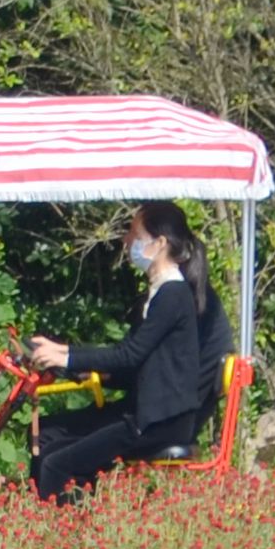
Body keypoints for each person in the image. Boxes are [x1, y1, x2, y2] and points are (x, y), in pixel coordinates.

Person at [22, 200, 225, 504]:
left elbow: (130, 354)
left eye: (134, 233)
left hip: (159, 422)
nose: (127, 241)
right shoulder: (162, 293)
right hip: (150, 414)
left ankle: (58, 538)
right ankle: (70, 518)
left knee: (57, 463)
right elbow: (136, 364)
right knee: (47, 437)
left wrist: (65, 356)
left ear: (158, 243)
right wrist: (70, 359)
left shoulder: (173, 295)